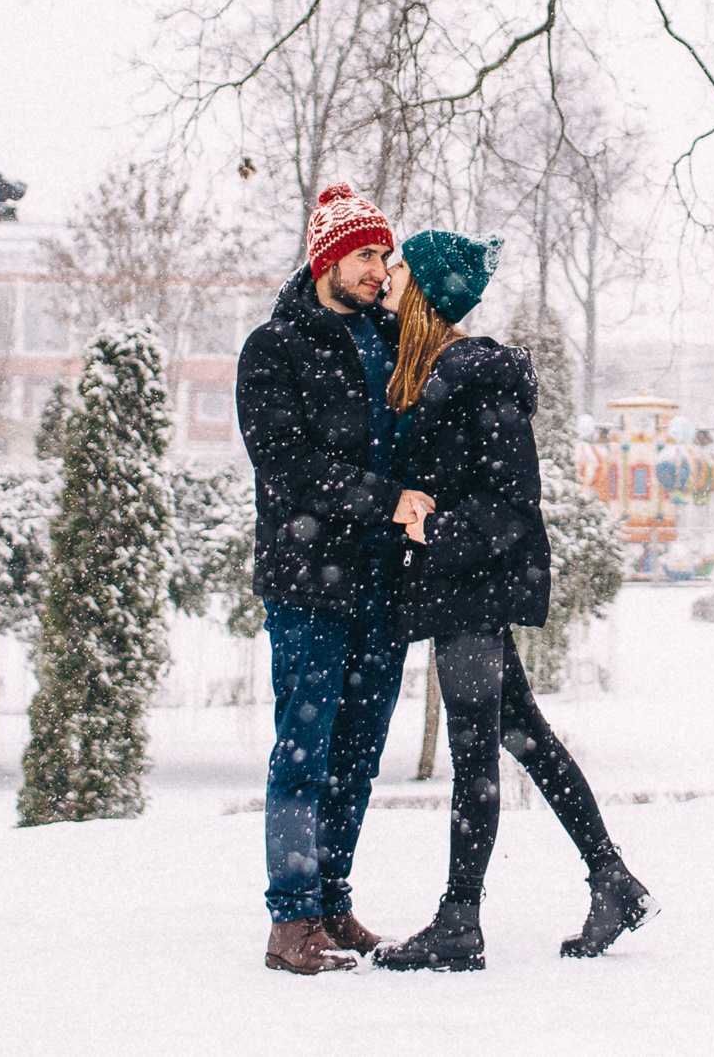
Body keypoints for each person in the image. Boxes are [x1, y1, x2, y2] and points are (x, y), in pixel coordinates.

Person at [371, 229, 655, 972]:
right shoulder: (435, 372)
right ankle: (613, 877)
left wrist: (430, 527)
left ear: (429, 292)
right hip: (458, 590)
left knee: (475, 754)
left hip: (471, 590)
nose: (387, 278)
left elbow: (511, 505)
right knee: (526, 735)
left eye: (398, 268)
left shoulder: (476, 380)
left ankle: (460, 921)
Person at [236, 183, 439, 976]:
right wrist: (384, 497)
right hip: (308, 582)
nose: (377, 268)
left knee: (358, 749)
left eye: (383, 256)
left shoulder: (391, 340)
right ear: (326, 258)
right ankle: (290, 922)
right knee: (305, 748)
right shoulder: (276, 347)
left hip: (381, 583)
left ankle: (330, 899)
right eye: (363, 254)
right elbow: (286, 465)